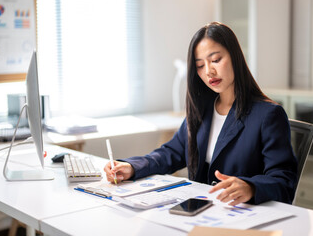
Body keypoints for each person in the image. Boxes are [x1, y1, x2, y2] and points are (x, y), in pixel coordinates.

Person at [104, 22, 297, 206]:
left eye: (215, 60)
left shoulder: (268, 115)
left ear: (235, 56)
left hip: (244, 215)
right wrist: (131, 167)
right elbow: (171, 153)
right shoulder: (202, 109)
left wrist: (251, 187)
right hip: (202, 211)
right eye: (200, 65)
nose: (209, 71)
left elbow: (284, 181)